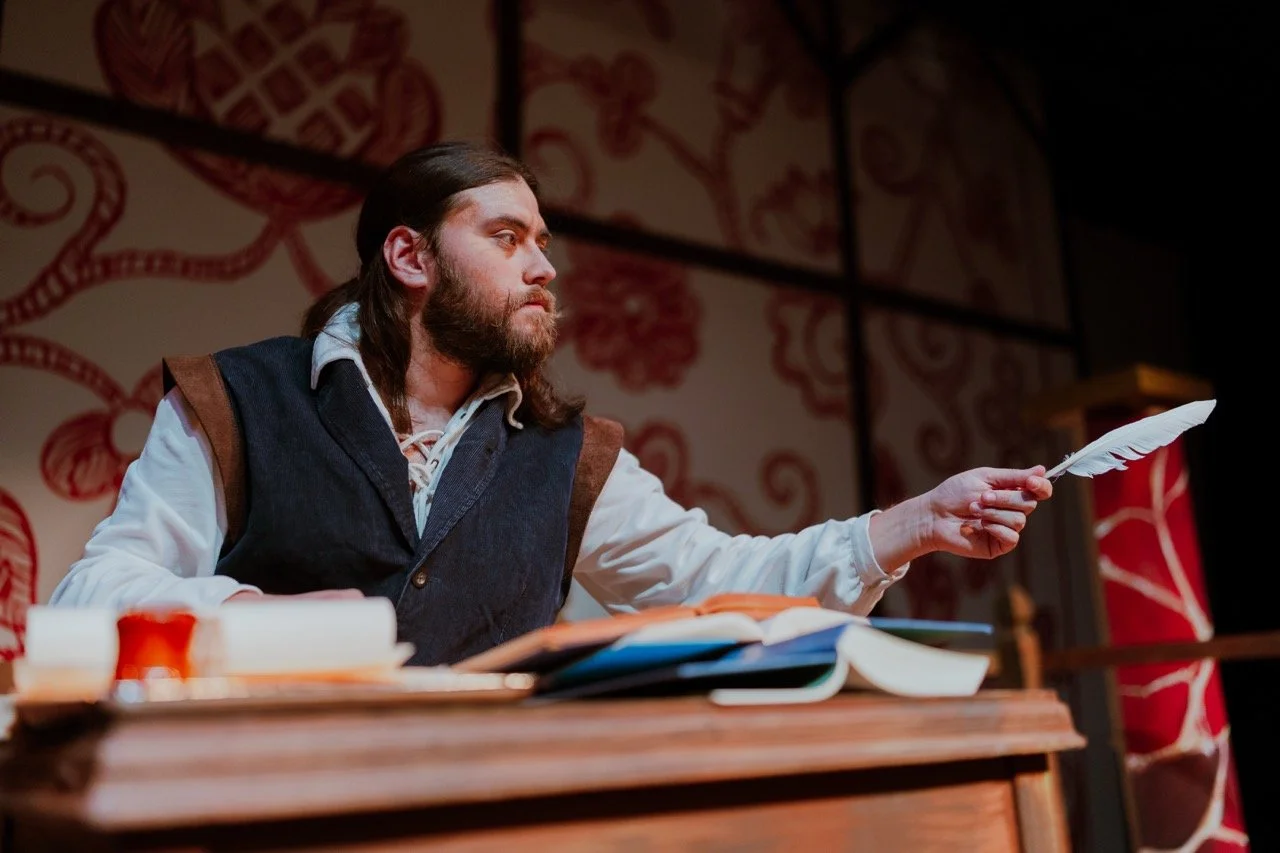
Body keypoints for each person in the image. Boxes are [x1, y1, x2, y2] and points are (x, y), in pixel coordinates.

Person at [49, 141, 1053, 665]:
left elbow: (724, 579)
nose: (544, 268)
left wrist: (911, 525)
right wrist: (244, 615)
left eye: (543, 241)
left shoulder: (565, 456)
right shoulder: (235, 397)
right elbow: (92, 592)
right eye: (507, 237)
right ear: (408, 256)